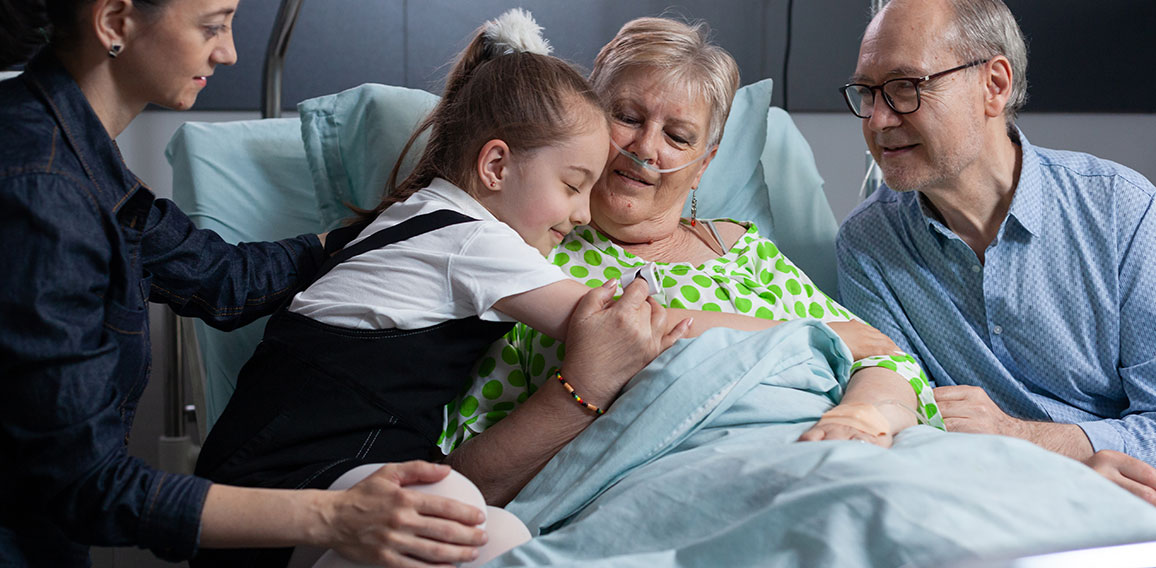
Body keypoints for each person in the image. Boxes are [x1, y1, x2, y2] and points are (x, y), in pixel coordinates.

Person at [195, 9, 863, 567]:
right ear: (496, 166)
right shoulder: (476, 242)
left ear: (706, 160)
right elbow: (626, 321)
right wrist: (813, 333)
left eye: (679, 134)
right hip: (299, 472)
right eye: (574, 183)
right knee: (480, 531)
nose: (578, 211)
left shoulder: (424, 215)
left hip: (290, 460)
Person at [0, 1, 582, 566]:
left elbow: (222, 279)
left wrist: (376, 241)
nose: (229, 52)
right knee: (452, 516)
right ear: (114, 21)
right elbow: (83, 485)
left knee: (498, 533)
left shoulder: (79, 160)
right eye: (213, 26)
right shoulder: (41, 189)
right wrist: (336, 517)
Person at [438, 16, 944, 506]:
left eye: (678, 137)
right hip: (682, 493)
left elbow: (888, 357)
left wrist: (859, 417)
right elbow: (464, 478)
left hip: (836, 460)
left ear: (704, 165)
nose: (646, 148)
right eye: (628, 117)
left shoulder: (745, 254)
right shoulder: (528, 257)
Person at [835, 0, 1156, 505]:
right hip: (980, 496)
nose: (876, 120)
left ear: (995, 85)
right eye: (866, 93)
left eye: (904, 87)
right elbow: (901, 400)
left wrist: (1036, 441)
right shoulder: (867, 245)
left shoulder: (1122, 210)